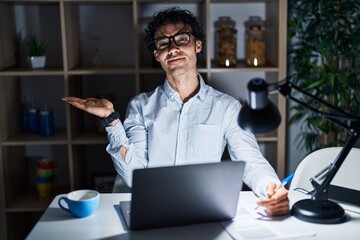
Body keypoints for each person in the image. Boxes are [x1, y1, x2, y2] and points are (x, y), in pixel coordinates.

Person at [62, 7, 289, 216]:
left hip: (204, 209)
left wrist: (271, 187)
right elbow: (133, 176)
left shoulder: (227, 107)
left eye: (182, 39)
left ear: (197, 45)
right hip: (151, 210)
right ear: (157, 55)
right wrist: (111, 121)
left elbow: (250, 159)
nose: (173, 49)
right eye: (163, 43)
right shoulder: (140, 106)